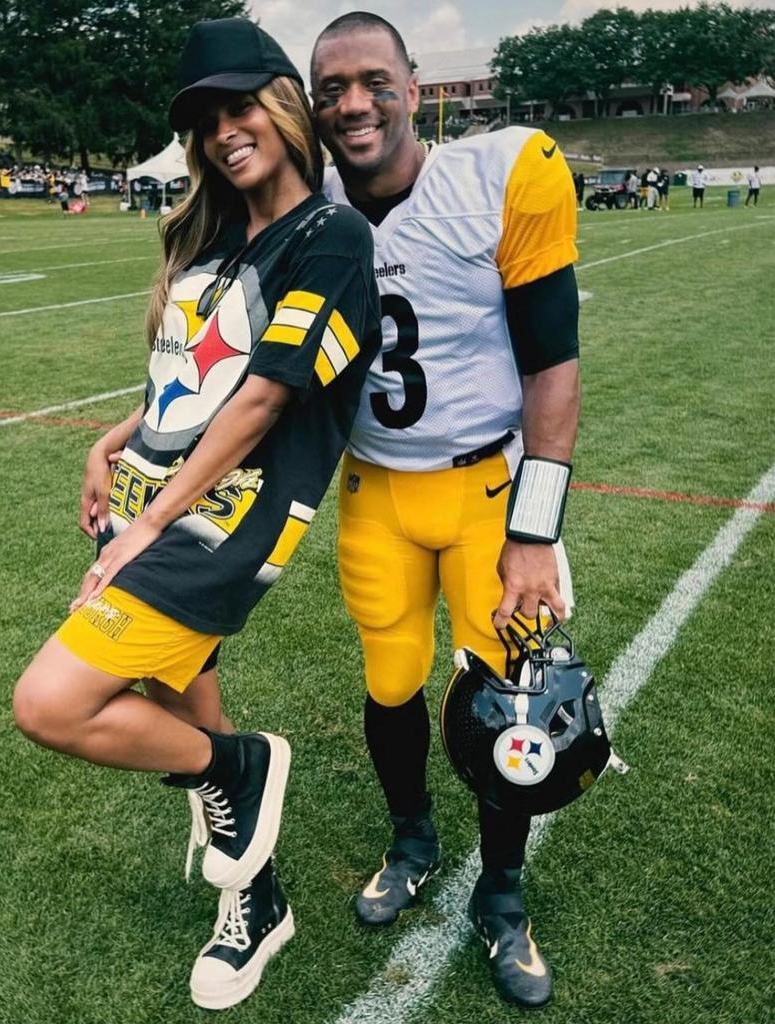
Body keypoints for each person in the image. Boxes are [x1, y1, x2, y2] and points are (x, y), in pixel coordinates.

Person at [13, 17, 379, 1012]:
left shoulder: (333, 238)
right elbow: (188, 383)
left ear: (285, 104)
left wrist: (146, 524)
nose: (224, 132)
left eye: (241, 106)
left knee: (51, 702)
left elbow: (264, 397)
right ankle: (255, 902)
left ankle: (247, 766)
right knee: (182, 716)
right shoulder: (216, 236)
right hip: (152, 497)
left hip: (222, 522)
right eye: (205, 121)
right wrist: (111, 439)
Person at [310, 12, 579, 1010]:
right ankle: (413, 839)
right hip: (376, 489)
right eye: (330, 86)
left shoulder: (496, 177)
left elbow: (554, 367)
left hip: (487, 493)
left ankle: (503, 894)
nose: (352, 102)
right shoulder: (312, 206)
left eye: (373, 80)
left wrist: (535, 530)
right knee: (390, 682)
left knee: (510, 701)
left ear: (413, 88)